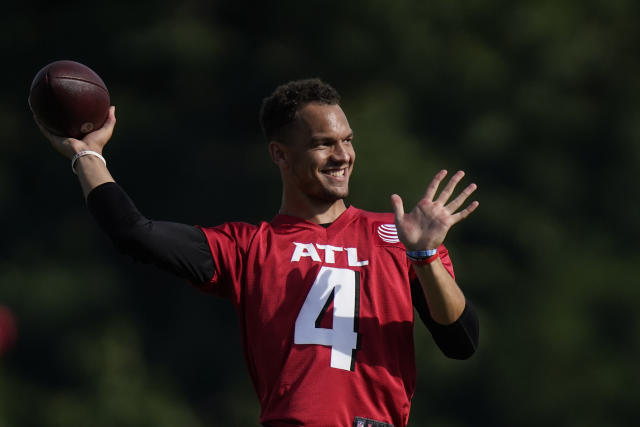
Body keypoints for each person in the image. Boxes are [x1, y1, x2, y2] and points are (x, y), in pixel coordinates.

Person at [36, 78, 479, 427]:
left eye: (347, 140)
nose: (342, 155)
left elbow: (460, 340)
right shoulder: (250, 248)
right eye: (324, 143)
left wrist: (423, 258)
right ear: (279, 155)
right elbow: (135, 233)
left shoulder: (395, 235)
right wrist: (86, 155)